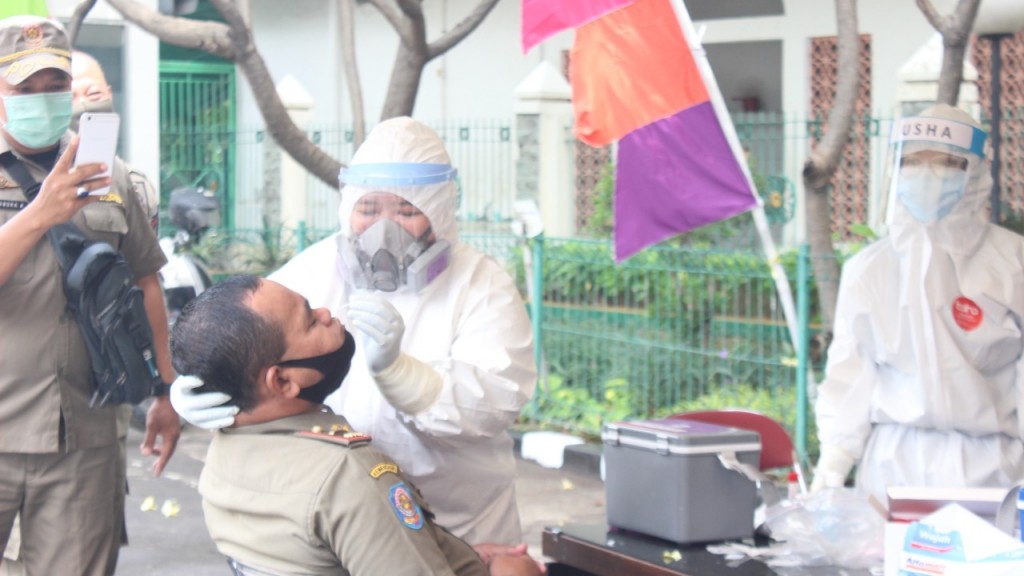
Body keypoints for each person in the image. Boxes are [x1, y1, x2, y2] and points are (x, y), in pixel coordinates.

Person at [173, 116, 537, 546]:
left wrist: (402, 376)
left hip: (459, 528)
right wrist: (206, 383)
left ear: (438, 213)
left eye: (406, 211)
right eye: (369, 209)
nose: (385, 228)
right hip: (342, 520)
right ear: (349, 208)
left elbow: (493, 404)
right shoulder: (317, 267)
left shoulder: (480, 284)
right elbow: (249, 339)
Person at [170, 275, 541, 576]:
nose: (327, 312)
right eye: (311, 320)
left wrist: (452, 553)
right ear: (282, 382)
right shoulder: (347, 475)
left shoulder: (224, 451)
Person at [0, 15, 179, 576]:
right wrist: (38, 216)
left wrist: (165, 392)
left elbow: (146, 281)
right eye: (23, 88)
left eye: (54, 85)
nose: (42, 98)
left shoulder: (108, 174)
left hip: (86, 430)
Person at [812, 103, 1024, 504]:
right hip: (894, 466)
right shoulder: (869, 269)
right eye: (913, 161)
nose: (927, 174)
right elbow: (852, 373)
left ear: (975, 172)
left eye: (946, 162)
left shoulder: (1013, 263)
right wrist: (836, 459)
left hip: (992, 469)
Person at [70, 49, 160, 232]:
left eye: (94, 94)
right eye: (69, 97)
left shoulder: (134, 185)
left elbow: (145, 258)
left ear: (109, 94)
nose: (82, 104)